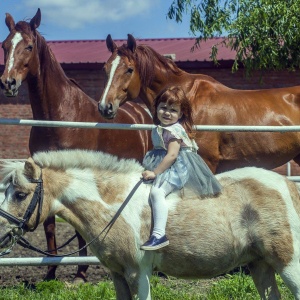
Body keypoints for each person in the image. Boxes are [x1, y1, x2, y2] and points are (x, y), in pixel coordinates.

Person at [140, 86, 222, 251]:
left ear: (181, 113)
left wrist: (155, 173)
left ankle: (158, 235)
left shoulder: (173, 130)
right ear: (156, 108)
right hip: (167, 162)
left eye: (173, 110)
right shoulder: (161, 127)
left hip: (178, 166)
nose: (167, 113)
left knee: (157, 192)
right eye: (163, 107)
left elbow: (172, 156)